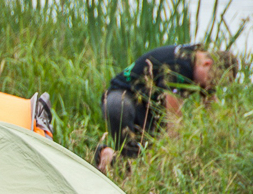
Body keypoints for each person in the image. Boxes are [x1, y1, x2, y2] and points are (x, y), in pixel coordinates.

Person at [94, 44, 236, 173]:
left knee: (146, 159)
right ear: (207, 63)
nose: (211, 86)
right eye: (214, 81)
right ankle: (110, 156)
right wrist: (177, 157)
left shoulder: (196, 61)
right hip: (123, 97)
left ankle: (111, 159)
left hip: (149, 108)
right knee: (136, 155)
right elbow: (174, 119)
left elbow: (213, 111)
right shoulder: (181, 64)